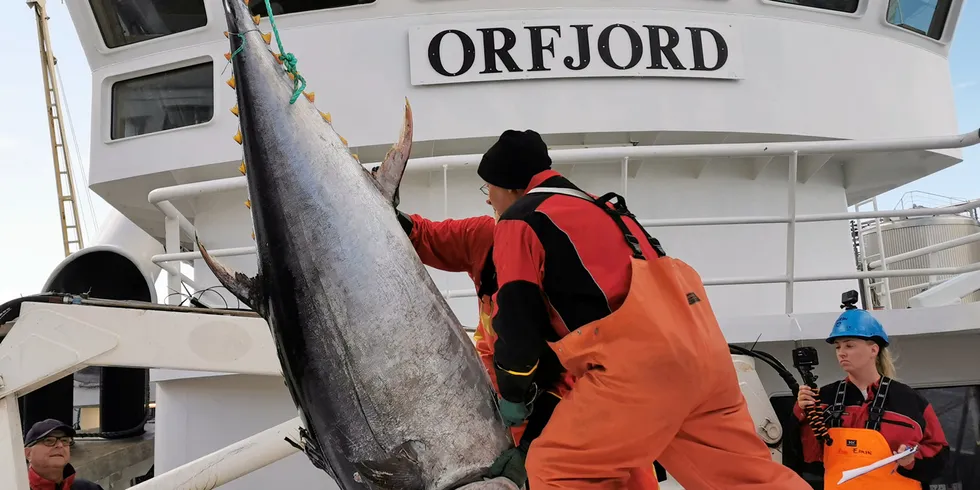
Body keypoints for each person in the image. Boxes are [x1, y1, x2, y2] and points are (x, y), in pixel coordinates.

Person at [480, 129, 810, 489]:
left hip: (643, 369)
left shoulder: (519, 220)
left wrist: (513, 392)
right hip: (705, 355)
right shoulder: (602, 207)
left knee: (557, 467)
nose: (488, 200)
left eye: (488, 189)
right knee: (745, 479)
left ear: (510, 186)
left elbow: (516, 318)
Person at [385, 183, 663, 490]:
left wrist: (530, 448)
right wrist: (377, 207)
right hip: (511, 408)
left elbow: (581, 378)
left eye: (494, 189)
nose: (488, 198)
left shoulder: (568, 278)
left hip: (582, 416)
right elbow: (426, 236)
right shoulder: (485, 237)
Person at [795, 303, 950, 489]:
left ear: (873, 350)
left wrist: (911, 460)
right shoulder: (822, 399)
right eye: (838, 347)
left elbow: (939, 455)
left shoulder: (909, 401)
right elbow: (802, 458)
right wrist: (800, 413)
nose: (841, 353)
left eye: (849, 345)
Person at [24, 419, 104, 490]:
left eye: (65, 440)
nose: (60, 445)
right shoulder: (16, 486)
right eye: (49, 441)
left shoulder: (88, 488)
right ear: (28, 453)